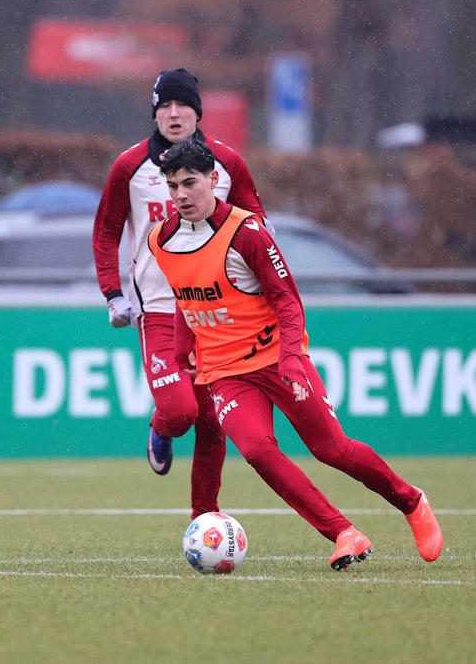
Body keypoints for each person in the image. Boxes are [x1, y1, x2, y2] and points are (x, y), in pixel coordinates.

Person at [147, 137, 443, 570]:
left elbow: (287, 299)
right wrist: (182, 344)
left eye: (190, 183)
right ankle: (343, 532)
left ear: (213, 180)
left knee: (332, 450)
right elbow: (183, 291)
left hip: (278, 359)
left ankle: (411, 500)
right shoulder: (161, 239)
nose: (181, 195)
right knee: (257, 450)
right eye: (172, 186)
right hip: (225, 371)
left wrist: (290, 358)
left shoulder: (247, 233)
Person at [92, 68, 266, 518]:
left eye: (183, 105)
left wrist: (257, 282)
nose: (173, 114)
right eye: (164, 106)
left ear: (197, 112)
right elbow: (106, 232)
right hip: (159, 310)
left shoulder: (227, 163)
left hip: (214, 311)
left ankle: (204, 518)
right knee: (181, 411)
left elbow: (256, 224)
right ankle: (161, 425)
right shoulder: (130, 166)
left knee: (212, 421)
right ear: (154, 113)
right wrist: (113, 293)